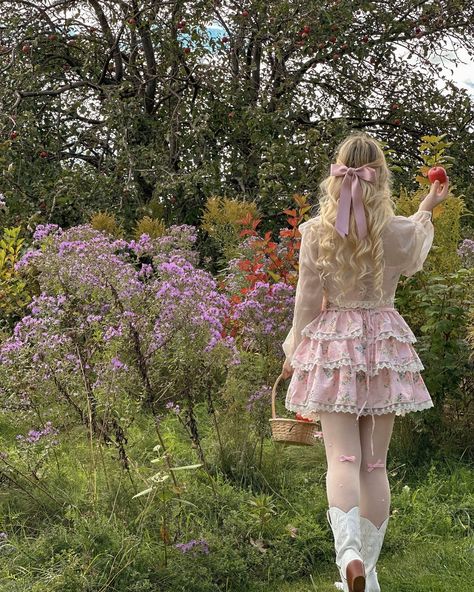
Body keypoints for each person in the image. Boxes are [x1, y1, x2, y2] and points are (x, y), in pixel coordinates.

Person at [280, 132, 449, 592]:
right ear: (380, 174)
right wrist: (428, 206)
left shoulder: (316, 231)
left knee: (342, 459)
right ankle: (368, 575)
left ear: (338, 172)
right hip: (384, 346)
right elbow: (413, 249)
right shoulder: (393, 230)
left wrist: (295, 348)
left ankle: (348, 556)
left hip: (335, 346)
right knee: (374, 465)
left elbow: (307, 299)